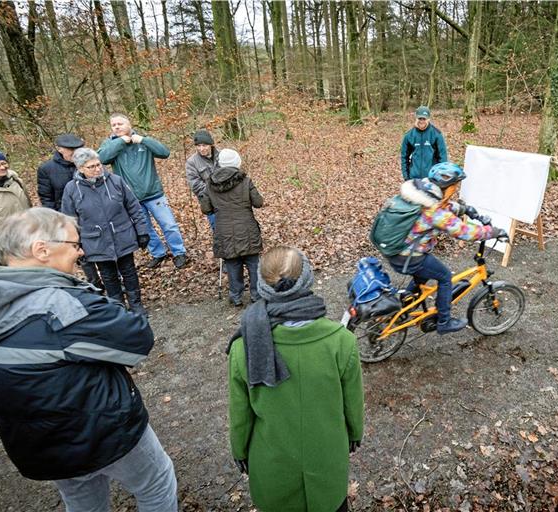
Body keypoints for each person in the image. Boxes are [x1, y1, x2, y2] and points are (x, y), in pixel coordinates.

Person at [0, 207, 177, 512]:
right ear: (42, 249)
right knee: (156, 482)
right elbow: (138, 337)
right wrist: (79, 289)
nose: (81, 252)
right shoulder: (63, 306)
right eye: (74, 245)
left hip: (41, 445)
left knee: (81, 500)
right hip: (101, 432)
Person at [227, 247, 364, 512]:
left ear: (262, 287)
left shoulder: (243, 348)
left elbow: (240, 415)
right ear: (307, 280)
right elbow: (353, 405)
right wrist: (355, 433)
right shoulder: (341, 342)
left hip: (272, 473)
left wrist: (240, 451)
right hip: (327, 467)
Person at [386, 162, 503, 334]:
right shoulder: (435, 211)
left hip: (396, 249)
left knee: (423, 274)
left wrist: (465, 209)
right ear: (447, 186)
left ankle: (407, 300)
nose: (455, 189)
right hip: (408, 256)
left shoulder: (420, 191)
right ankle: (444, 321)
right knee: (444, 276)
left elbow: (443, 205)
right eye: (455, 185)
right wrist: (493, 232)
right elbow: (464, 231)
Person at [62, 148, 150, 315]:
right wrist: (74, 246)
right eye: (91, 167)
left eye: (98, 164)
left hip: (122, 235)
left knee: (129, 271)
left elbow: (134, 207)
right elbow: (69, 220)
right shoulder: (72, 189)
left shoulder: (115, 181)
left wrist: (141, 231)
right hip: (95, 241)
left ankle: (136, 304)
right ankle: (118, 307)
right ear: (80, 169)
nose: (97, 169)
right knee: (108, 276)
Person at [98, 113, 188, 269]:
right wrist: (120, 142)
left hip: (154, 193)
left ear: (129, 124)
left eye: (120, 123)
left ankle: (179, 252)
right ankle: (158, 253)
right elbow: (101, 159)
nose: (117, 127)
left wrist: (143, 140)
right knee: (145, 228)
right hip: (131, 198)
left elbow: (164, 152)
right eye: (114, 125)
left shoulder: (142, 140)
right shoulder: (110, 144)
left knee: (169, 225)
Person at [37, 133, 103, 289]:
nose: (75, 153)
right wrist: (57, 220)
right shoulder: (47, 169)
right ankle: (96, 284)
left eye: (78, 148)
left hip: (91, 214)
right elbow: (47, 198)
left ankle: (109, 279)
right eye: (70, 150)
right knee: (81, 253)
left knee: (99, 248)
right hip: (67, 218)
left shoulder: (88, 163)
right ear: (60, 149)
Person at [199, 149, 263, 307]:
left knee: (232, 263)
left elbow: (206, 209)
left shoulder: (210, 184)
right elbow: (258, 202)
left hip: (224, 230)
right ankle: (257, 294)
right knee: (253, 262)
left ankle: (236, 296)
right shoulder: (245, 181)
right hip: (247, 228)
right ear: (237, 162)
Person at [400, 105, 448, 181]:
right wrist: (406, 177)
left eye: (424, 119)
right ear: (416, 118)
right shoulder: (409, 136)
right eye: (420, 118)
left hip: (431, 178)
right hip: (414, 178)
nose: (421, 121)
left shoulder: (436, 134)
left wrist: (440, 177)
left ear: (428, 119)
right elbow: (404, 158)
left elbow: (443, 158)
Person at [185, 128, 217, 229]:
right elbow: (195, 185)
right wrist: (216, 191)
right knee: (216, 227)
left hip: (227, 198)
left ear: (211, 144)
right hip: (209, 201)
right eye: (198, 146)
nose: (201, 149)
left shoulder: (222, 155)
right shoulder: (191, 162)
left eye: (204, 145)